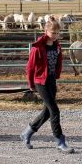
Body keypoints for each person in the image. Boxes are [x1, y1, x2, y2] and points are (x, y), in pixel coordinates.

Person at [20, 16, 74, 153]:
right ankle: (60, 140)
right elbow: (30, 68)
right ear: (46, 31)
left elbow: (58, 62)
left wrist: (56, 76)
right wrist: (31, 84)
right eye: (53, 33)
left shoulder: (57, 46)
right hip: (40, 82)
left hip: (51, 81)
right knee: (54, 110)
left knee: (47, 112)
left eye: (57, 33)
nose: (55, 36)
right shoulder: (37, 48)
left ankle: (26, 133)